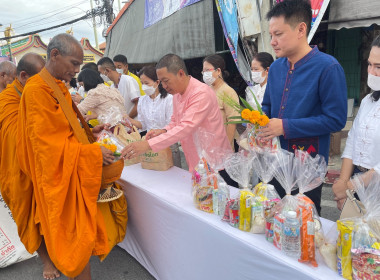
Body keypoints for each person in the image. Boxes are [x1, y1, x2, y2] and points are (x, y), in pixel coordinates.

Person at [17, 34, 127, 280]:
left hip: (71, 173)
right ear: (54, 55)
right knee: (74, 242)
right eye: (74, 63)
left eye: (79, 65)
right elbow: (46, 149)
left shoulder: (56, 86)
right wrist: (90, 152)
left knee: (81, 242)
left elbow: (65, 130)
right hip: (58, 180)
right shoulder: (37, 91)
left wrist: (89, 132)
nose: (77, 70)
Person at [261, 0, 348, 214]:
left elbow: (335, 119)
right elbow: (267, 106)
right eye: (271, 35)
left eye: (278, 34)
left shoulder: (328, 68)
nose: (272, 42)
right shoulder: (275, 69)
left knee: (302, 225)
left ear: (301, 29)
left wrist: (285, 127)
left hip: (307, 166)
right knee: (274, 218)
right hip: (276, 161)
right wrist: (258, 125)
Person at [121, 54, 236, 186]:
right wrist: (163, 130)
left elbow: (186, 127)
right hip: (196, 160)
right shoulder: (177, 94)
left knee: (220, 201)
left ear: (180, 73)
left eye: (166, 80)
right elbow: (175, 122)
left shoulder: (200, 93)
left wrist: (148, 145)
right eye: (161, 82)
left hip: (215, 161)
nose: (163, 86)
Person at [0, 53, 60, 280]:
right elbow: (20, 140)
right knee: (30, 218)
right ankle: (46, 261)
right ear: (23, 76)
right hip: (18, 171)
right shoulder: (6, 102)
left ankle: (59, 250)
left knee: (51, 214)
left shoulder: (35, 92)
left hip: (45, 166)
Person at [333, 35, 380, 210]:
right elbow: (352, 140)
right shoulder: (368, 100)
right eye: (369, 64)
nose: (371, 72)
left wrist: (350, 187)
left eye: (378, 67)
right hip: (356, 182)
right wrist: (343, 181)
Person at [125, 66, 181, 167]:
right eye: (142, 83)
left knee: (171, 174)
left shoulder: (169, 99)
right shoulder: (142, 101)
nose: (144, 87)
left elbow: (172, 125)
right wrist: (129, 120)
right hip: (150, 145)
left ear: (157, 82)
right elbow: (143, 125)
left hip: (168, 145)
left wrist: (160, 133)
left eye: (147, 83)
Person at [202, 54, 239, 150]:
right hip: (209, 143)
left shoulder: (228, 91)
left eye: (207, 70)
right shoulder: (208, 90)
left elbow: (232, 121)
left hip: (222, 145)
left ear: (218, 71)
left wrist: (226, 145)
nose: (204, 74)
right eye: (203, 71)